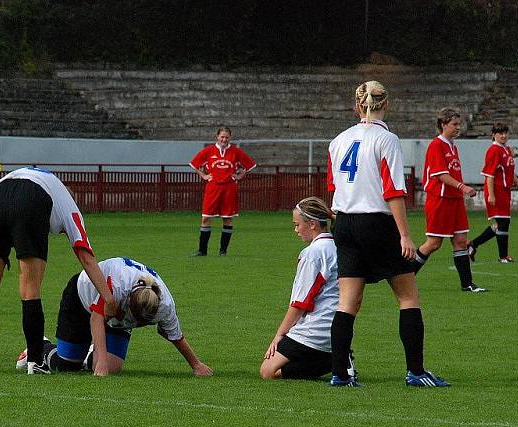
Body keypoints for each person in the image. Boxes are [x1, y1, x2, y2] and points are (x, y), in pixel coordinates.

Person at [326, 80, 449, 387]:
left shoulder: (338, 140)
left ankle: (340, 374)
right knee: (408, 297)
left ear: (356, 106)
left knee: (348, 302)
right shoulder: (387, 139)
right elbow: (393, 191)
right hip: (377, 223)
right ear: (387, 105)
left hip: (344, 222)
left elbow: (334, 187)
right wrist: (405, 235)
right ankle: (416, 372)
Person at [0, 166, 117, 373]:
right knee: (30, 291)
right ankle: (35, 362)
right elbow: (85, 255)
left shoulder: (45, 181)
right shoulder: (69, 206)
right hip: (32, 197)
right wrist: (108, 298)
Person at [16, 256, 213, 377]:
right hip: (81, 298)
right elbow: (96, 317)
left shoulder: (165, 306)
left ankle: (93, 354)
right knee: (68, 365)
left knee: (112, 368)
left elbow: (175, 336)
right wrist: (100, 360)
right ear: (129, 300)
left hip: (110, 315)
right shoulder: (117, 286)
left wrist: (196, 365)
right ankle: (39, 346)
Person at [260, 197, 348, 381]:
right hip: (338, 328)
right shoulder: (338, 247)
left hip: (316, 329)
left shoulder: (313, 253)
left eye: (297, 224)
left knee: (268, 371)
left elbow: (301, 303)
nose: (296, 230)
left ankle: (335, 361)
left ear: (312, 224)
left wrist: (280, 335)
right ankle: (338, 356)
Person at [413, 108, 486, 292]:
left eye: (458, 124)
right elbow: (441, 175)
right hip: (440, 200)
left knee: (461, 241)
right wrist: (463, 187)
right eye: (454, 124)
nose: (458, 127)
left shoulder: (453, 146)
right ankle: (405, 276)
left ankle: (467, 284)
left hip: (455, 200)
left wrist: (460, 190)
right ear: (443, 124)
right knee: (433, 244)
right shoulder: (436, 145)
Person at [189, 126, 257, 256]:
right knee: (205, 219)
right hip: (213, 187)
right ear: (217, 137)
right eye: (222, 137)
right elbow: (194, 164)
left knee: (227, 219)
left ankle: (223, 251)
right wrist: (203, 175)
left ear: (230, 138)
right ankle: (202, 251)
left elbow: (250, 165)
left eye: (226, 137)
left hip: (229, 188)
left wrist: (240, 175)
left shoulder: (236, 151)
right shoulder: (209, 150)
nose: (224, 139)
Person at [468, 123, 518, 263]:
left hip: (504, 191)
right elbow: (489, 174)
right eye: (500, 133)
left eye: (505, 133)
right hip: (496, 191)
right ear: (493, 135)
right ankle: (503, 257)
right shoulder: (494, 150)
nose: (503, 135)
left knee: (501, 224)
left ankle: (473, 244)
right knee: (503, 223)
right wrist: (491, 194)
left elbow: (510, 173)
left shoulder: (506, 149)